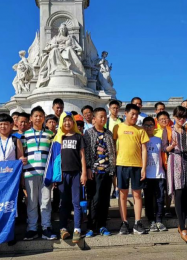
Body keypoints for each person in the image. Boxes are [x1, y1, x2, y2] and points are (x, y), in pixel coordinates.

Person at [113, 104, 149, 235]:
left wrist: (144, 167)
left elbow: (144, 150)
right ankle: (124, 222)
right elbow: (113, 145)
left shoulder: (141, 130)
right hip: (121, 165)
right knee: (122, 195)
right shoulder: (118, 127)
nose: (134, 117)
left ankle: (138, 222)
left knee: (137, 195)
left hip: (137, 166)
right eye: (132, 114)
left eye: (136, 114)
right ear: (126, 113)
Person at [163, 106, 187, 244]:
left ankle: (182, 224)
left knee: (185, 193)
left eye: (183, 117)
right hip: (175, 160)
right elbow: (164, 147)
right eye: (179, 117)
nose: (181, 120)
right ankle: (183, 227)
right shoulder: (168, 130)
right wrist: (171, 146)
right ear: (174, 116)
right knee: (178, 193)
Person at [22, 106, 57, 241]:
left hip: (45, 173)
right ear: (31, 118)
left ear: (44, 118)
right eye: (35, 116)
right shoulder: (25, 135)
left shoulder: (50, 134)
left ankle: (46, 228)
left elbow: (53, 155)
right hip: (30, 173)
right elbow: (22, 153)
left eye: (41, 116)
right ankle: (32, 228)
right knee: (31, 202)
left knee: (46, 201)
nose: (38, 118)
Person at [84, 107, 116, 237]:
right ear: (94, 119)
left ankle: (102, 225)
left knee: (104, 199)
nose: (103, 119)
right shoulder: (88, 132)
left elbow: (112, 152)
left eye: (105, 117)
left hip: (107, 172)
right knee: (93, 199)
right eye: (100, 117)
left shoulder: (108, 133)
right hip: (94, 171)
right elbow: (86, 153)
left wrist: (112, 170)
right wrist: (88, 168)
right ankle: (91, 226)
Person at [56, 112, 87, 244]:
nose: (67, 123)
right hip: (63, 174)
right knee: (63, 202)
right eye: (65, 120)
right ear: (61, 123)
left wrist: (84, 173)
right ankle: (63, 228)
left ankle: (77, 229)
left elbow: (82, 156)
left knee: (76, 202)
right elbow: (55, 159)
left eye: (69, 120)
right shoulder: (58, 138)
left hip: (76, 174)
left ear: (73, 122)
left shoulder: (78, 137)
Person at [142, 117, 168, 232]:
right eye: (146, 125)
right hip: (146, 174)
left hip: (159, 174)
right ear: (143, 126)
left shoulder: (158, 139)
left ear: (154, 126)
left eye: (151, 125)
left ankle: (159, 220)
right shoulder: (141, 139)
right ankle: (151, 220)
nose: (149, 127)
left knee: (160, 198)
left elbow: (165, 151)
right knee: (148, 199)